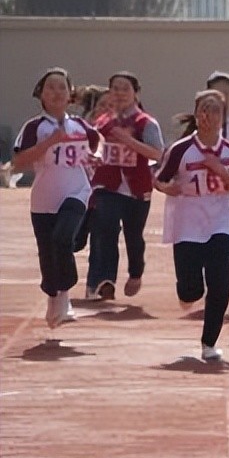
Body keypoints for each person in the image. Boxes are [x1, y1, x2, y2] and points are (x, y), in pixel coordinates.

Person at [154, 90, 229, 361]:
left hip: (221, 218)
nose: (209, 115)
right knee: (191, 288)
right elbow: (159, 178)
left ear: (223, 117)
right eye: (204, 109)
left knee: (220, 283)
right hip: (188, 218)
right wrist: (168, 188)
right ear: (197, 115)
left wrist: (221, 171)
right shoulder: (181, 149)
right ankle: (187, 292)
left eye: (215, 110)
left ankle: (209, 342)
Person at [13, 68, 100, 329]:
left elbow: (98, 142)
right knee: (48, 254)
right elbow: (18, 162)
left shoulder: (81, 125)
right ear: (40, 94)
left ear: (70, 93)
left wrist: (96, 156)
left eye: (62, 87)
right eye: (50, 87)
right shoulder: (35, 127)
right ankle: (54, 295)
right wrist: (50, 142)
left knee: (63, 238)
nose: (57, 92)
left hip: (77, 192)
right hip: (44, 199)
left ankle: (65, 291)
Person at [84, 72, 165, 301]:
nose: (119, 93)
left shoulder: (146, 123)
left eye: (125, 89)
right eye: (115, 89)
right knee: (106, 227)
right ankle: (105, 280)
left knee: (134, 236)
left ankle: (136, 272)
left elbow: (157, 153)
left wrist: (128, 140)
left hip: (136, 187)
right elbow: (90, 148)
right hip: (107, 186)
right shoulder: (102, 122)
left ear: (136, 94)